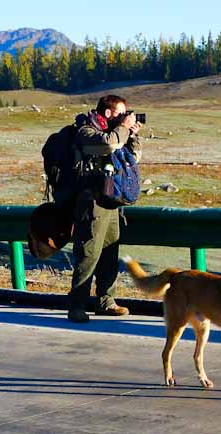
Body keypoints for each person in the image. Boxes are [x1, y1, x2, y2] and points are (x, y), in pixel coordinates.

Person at [67, 94, 143, 323]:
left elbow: (133, 158)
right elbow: (108, 144)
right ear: (108, 113)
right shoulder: (86, 131)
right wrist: (123, 128)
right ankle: (77, 305)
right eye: (121, 114)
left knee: (110, 252)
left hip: (111, 201)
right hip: (91, 202)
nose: (125, 118)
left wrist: (133, 135)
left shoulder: (118, 133)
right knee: (89, 253)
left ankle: (105, 300)